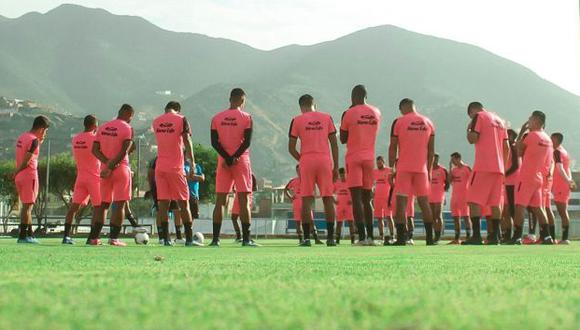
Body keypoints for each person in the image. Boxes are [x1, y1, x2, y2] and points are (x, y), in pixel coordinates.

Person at [289, 94, 339, 247]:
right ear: (314, 104)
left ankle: (306, 239)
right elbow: (334, 144)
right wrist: (336, 166)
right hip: (324, 160)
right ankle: (331, 238)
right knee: (327, 198)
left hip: (307, 160)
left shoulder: (297, 120)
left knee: (306, 200)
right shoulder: (326, 117)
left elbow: (291, 148)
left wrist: (302, 160)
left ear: (300, 106)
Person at [210, 88, 257, 247]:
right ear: (242, 101)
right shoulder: (246, 117)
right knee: (243, 200)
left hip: (223, 162)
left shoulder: (217, 118)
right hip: (241, 161)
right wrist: (235, 157)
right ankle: (246, 239)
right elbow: (247, 142)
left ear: (230, 99)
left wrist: (227, 158)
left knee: (220, 201)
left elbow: (214, 143)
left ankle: (215, 240)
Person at [389, 98, 435, 246]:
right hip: (421, 169)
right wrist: (429, 170)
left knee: (401, 203)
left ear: (403, 107)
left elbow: (393, 147)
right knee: (424, 202)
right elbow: (431, 151)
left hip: (404, 168)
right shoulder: (428, 122)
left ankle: (401, 239)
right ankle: (430, 239)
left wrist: (391, 169)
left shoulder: (399, 122)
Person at [339, 85, 382, 245]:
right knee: (367, 199)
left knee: (356, 198)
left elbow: (343, 138)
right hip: (369, 158)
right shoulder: (376, 112)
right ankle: (371, 237)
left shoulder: (349, 113)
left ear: (353, 97)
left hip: (354, 157)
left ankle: (362, 237)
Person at [152, 101, 199, 246]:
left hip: (160, 167)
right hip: (176, 168)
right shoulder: (181, 119)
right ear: (178, 110)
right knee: (184, 204)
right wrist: (192, 163)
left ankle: (165, 239)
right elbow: (187, 140)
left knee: (163, 205)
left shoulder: (156, 121)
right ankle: (189, 239)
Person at [88, 104, 135, 246]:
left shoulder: (103, 127)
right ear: (129, 115)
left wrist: (106, 164)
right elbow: (124, 151)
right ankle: (113, 238)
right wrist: (112, 165)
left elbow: (94, 150)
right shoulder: (127, 128)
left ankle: (94, 238)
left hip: (104, 172)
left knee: (103, 205)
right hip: (120, 169)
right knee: (120, 205)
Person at [463, 102, 509, 245]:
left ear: (472, 111)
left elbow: (472, 139)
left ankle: (476, 236)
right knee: (495, 203)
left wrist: (469, 128)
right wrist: (504, 167)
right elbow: (506, 147)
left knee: (473, 200)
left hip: (483, 165)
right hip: (499, 168)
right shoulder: (500, 121)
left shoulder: (479, 116)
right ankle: (495, 236)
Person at [508, 111, 555, 245]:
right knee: (538, 207)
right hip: (539, 177)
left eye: (530, 119)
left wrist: (522, 131)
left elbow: (518, 151)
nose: (528, 121)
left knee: (520, 206)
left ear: (536, 120)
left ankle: (516, 236)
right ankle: (547, 236)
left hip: (526, 175)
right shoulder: (548, 139)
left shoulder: (531, 136)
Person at [63, 115, 101, 245]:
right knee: (98, 207)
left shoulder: (76, 139)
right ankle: (92, 238)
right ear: (95, 126)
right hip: (94, 178)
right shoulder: (95, 138)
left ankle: (66, 236)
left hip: (81, 177)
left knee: (73, 207)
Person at [14, 115, 50, 244]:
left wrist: (17, 173)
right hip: (29, 175)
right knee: (27, 208)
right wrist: (17, 171)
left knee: (26, 206)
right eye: (45, 131)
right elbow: (27, 159)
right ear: (41, 129)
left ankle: (30, 234)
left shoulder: (23, 137)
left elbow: (28, 149)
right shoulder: (33, 140)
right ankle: (23, 236)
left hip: (20, 178)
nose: (45, 133)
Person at [284, 166, 322, 244]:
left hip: (306, 203)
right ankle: (301, 240)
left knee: (311, 221)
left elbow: (313, 192)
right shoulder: (293, 181)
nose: (299, 172)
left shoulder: (308, 180)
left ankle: (316, 239)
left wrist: (313, 198)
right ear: (296, 171)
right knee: (298, 222)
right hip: (297, 204)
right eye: (298, 170)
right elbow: (286, 189)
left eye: (300, 170)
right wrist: (291, 197)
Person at [550, 133, 576, 244]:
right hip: (563, 185)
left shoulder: (557, 152)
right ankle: (564, 238)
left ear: (556, 140)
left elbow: (560, 168)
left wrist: (568, 181)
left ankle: (565, 238)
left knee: (562, 211)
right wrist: (569, 180)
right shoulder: (564, 152)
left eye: (552, 139)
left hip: (561, 186)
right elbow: (567, 168)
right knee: (562, 211)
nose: (550, 140)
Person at [448, 152, 472, 244]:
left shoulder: (467, 168)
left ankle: (468, 237)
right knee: (455, 217)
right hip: (455, 197)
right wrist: (450, 167)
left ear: (458, 158)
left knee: (466, 217)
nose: (452, 162)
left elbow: (472, 181)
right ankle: (457, 238)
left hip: (465, 197)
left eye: (453, 160)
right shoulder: (454, 170)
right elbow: (449, 180)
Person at [502, 129, 520, 243]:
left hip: (513, 182)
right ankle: (508, 235)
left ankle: (517, 235)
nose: (507, 137)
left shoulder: (513, 147)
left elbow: (515, 165)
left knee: (513, 209)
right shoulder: (505, 148)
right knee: (506, 210)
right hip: (506, 182)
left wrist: (504, 174)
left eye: (509, 135)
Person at [231, 174, 257, 243]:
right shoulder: (237, 173)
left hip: (247, 196)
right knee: (234, 217)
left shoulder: (251, 175)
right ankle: (239, 236)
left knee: (244, 216)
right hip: (238, 196)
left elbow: (255, 188)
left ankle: (247, 236)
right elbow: (233, 188)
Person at [429, 154, 449, 244]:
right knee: (432, 216)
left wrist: (443, 191)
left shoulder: (442, 170)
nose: (434, 161)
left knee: (438, 214)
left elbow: (447, 182)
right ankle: (435, 235)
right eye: (433, 159)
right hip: (429, 195)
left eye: (436, 159)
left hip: (439, 196)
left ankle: (438, 235)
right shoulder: (428, 169)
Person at [373, 156, 393, 242]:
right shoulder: (374, 172)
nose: (378, 165)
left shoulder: (389, 170)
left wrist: (391, 197)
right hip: (377, 198)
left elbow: (393, 184)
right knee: (379, 218)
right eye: (377, 163)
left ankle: (392, 236)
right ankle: (381, 236)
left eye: (380, 163)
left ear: (383, 162)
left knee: (389, 217)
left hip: (387, 198)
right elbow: (371, 183)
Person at [335, 168, 355, 244]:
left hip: (348, 206)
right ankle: (337, 240)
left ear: (346, 174)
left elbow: (354, 192)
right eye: (341, 175)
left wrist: (352, 200)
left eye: (343, 174)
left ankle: (352, 240)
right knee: (339, 223)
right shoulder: (337, 183)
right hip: (340, 206)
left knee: (350, 222)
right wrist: (334, 201)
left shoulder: (350, 182)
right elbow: (330, 191)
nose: (342, 176)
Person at [185, 157, 205, 228]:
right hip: (184, 194)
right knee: (184, 213)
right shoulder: (182, 165)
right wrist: (193, 178)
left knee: (193, 214)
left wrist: (192, 176)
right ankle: (181, 232)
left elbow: (202, 178)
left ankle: (188, 230)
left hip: (194, 195)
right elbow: (184, 178)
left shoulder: (196, 166)